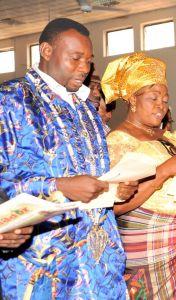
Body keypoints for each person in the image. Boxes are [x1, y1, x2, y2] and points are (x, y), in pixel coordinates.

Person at [0, 18, 137, 299]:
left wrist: (113, 188)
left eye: (89, 60)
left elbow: (93, 174)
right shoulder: (10, 100)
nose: (84, 68)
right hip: (41, 260)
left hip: (98, 258)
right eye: (75, 58)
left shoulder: (87, 108)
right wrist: (59, 186)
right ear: (46, 51)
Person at [101, 53, 176, 299]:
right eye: (153, 98)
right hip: (148, 244)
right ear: (132, 99)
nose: (161, 105)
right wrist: (162, 172)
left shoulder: (171, 138)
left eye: (165, 99)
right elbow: (114, 206)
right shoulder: (118, 142)